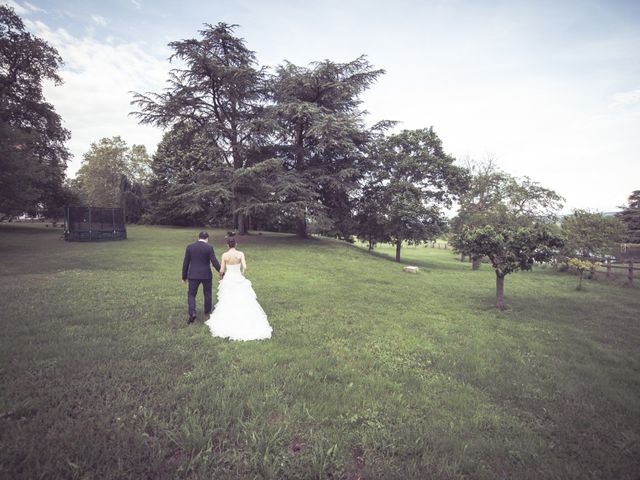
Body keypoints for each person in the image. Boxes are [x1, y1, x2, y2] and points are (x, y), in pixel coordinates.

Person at [205, 235, 272, 341]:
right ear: (236, 244)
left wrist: (221, 275)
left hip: (229, 278)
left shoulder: (225, 255)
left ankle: (228, 319)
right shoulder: (240, 254)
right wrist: (242, 272)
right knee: (242, 297)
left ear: (227, 245)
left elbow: (222, 269)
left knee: (228, 298)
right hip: (238, 277)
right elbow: (245, 266)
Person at [182, 231, 221, 324]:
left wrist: (184, 276)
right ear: (207, 238)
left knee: (191, 294)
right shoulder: (209, 248)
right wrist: (221, 272)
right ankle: (207, 311)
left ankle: (192, 313)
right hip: (206, 275)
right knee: (207, 293)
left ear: (198, 237)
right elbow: (214, 261)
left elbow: (186, 263)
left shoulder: (190, 247)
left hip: (193, 275)